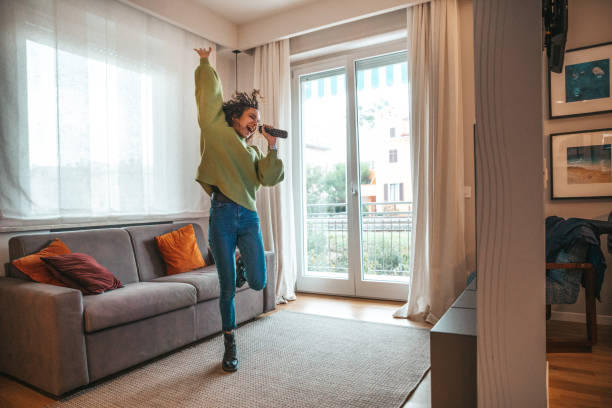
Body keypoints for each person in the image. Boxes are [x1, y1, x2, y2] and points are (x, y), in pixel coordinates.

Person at [193, 47, 284, 372]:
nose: (254, 125)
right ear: (234, 118)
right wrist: (206, 63)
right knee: (227, 287)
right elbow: (208, 98)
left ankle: (245, 265)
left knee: (258, 282)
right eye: (251, 119)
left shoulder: (253, 154)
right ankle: (229, 343)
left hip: (247, 218)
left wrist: (272, 147)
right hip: (221, 216)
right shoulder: (216, 133)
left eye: (257, 121)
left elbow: (271, 178)